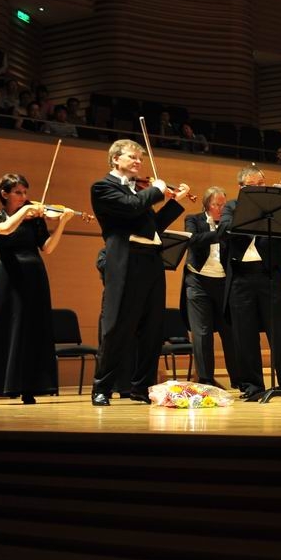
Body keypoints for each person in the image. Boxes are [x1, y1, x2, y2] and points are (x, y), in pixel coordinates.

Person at [88, 139, 187, 406]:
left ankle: (141, 387)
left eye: (140, 158)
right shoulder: (103, 188)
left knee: (152, 328)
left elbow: (153, 226)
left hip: (152, 261)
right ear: (115, 159)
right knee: (118, 326)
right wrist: (156, 189)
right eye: (132, 157)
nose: (138, 162)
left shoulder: (137, 192)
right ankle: (102, 387)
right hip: (126, 261)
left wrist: (174, 203)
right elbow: (130, 207)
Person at [0, 174, 73, 404]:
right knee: (4, 328)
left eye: (25, 192)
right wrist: (26, 210)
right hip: (8, 277)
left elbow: (47, 248)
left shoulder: (35, 220)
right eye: (18, 192)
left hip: (35, 276)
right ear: (4, 194)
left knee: (32, 330)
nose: (24, 197)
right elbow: (5, 230)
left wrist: (62, 223)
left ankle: (29, 388)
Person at [225, 166, 281, 399]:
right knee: (244, 333)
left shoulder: (276, 208)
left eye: (262, 184)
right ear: (242, 188)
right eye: (254, 185)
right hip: (241, 277)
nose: (260, 188)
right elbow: (224, 229)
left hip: (270, 275)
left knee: (280, 331)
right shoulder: (232, 206)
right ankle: (252, 385)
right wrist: (252, 217)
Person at [181, 187, 240, 388]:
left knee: (230, 332)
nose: (221, 209)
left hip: (222, 283)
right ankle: (206, 380)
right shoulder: (194, 220)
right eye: (217, 205)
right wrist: (218, 233)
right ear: (207, 205)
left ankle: (239, 380)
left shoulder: (228, 223)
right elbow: (192, 240)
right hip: (197, 282)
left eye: (224, 204)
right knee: (202, 333)